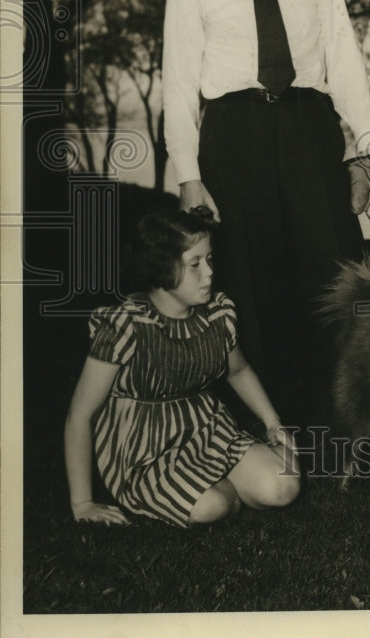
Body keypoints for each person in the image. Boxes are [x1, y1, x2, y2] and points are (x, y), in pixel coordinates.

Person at [162, 0, 370, 426]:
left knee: (336, 276)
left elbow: (346, 61)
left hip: (309, 129)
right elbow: (182, 85)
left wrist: (367, 149)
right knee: (248, 286)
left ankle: (347, 424)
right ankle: (263, 430)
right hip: (233, 140)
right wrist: (188, 175)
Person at [64, 209, 300, 528]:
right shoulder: (126, 326)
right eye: (195, 264)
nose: (210, 273)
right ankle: (210, 488)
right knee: (215, 506)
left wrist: (272, 422)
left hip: (205, 428)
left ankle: (221, 478)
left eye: (210, 260)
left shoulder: (216, 315)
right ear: (160, 266)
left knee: (284, 487)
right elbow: (80, 415)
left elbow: (238, 371)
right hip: (144, 446)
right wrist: (83, 503)